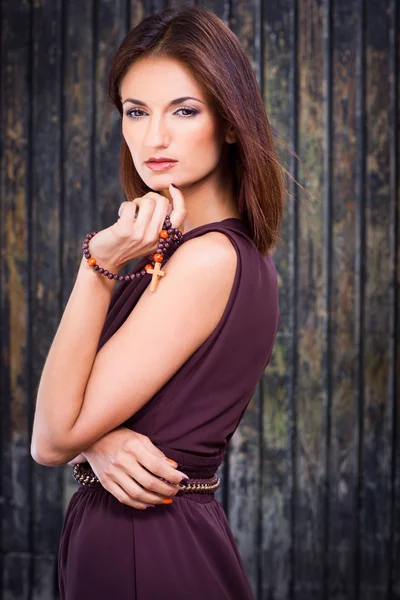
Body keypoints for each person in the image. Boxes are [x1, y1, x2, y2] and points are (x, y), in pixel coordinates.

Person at [30, 5, 285, 599]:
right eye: (136, 112)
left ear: (229, 120)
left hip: (144, 542)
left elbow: (48, 436)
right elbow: (77, 421)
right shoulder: (203, 251)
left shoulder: (207, 260)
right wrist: (101, 439)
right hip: (152, 535)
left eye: (185, 110)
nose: (155, 137)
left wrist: (98, 263)